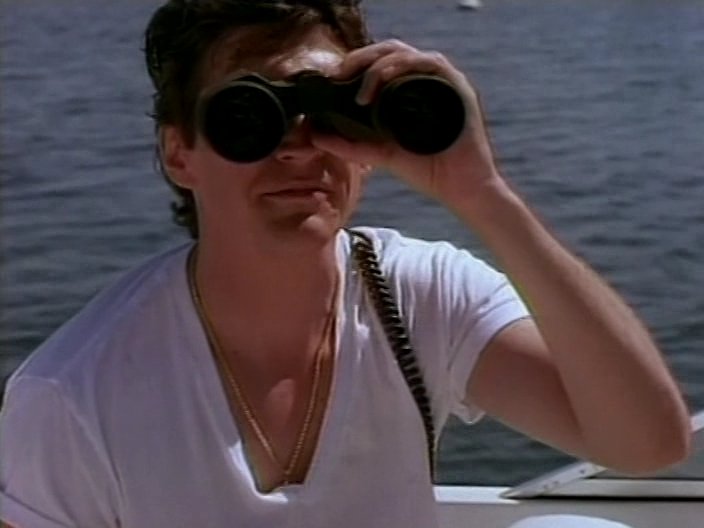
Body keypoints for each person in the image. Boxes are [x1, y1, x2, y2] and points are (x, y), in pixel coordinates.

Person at [0, 1, 692, 527]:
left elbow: (646, 444)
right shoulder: (73, 395)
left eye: (328, 113)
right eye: (251, 116)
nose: (299, 148)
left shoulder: (419, 293)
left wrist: (481, 193)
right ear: (180, 154)